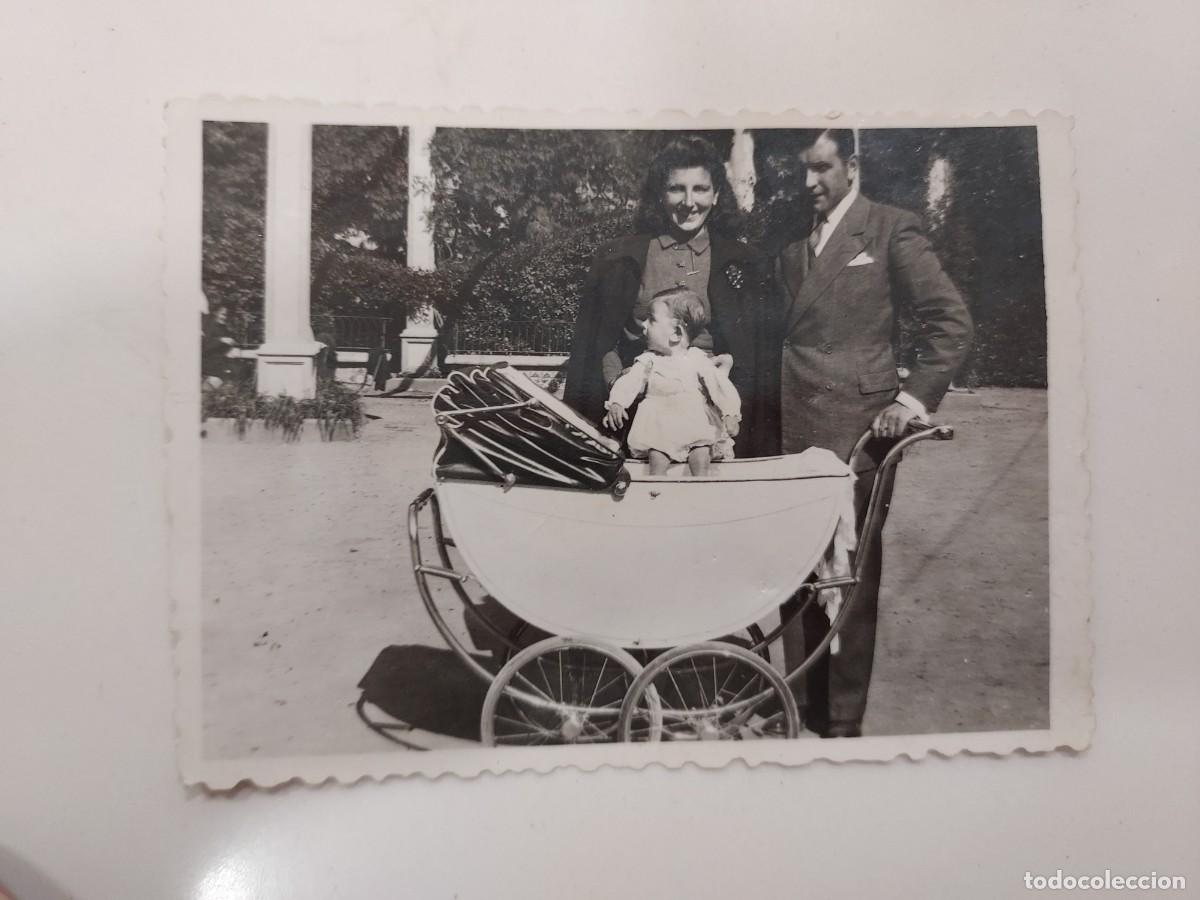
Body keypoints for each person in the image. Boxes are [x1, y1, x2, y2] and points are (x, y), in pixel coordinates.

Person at [777, 129, 973, 738]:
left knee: (849, 576)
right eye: (802, 170)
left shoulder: (889, 228)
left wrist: (910, 400)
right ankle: (800, 704)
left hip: (855, 431)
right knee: (796, 571)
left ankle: (841, 720)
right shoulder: (792, 239)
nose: (808, 182)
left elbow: (951, 322)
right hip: (793, 427)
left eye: (820, 168)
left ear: (852, 165)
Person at [563, 135, 780, 459]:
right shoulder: (619, 258)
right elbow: (597, 342)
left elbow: (757, 355)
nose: (688, 202)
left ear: (717, 195)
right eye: (677, 189)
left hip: (711, 426)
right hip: (637, 421)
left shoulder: (745, 262)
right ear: (660, 195)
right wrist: (620, 387)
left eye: (700, 189)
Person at [602, 289, 741, 476]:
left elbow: (720, 385)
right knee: (657, 453)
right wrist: (617, 403)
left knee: (701, 449)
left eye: (651, 319)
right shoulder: (648, 360)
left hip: (693, 420)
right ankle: (657, 483)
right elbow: (629, 382)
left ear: (676, 332)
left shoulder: (697, 358)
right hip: (659, 424)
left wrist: (730, 413)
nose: (644, 324)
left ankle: (701, 482)